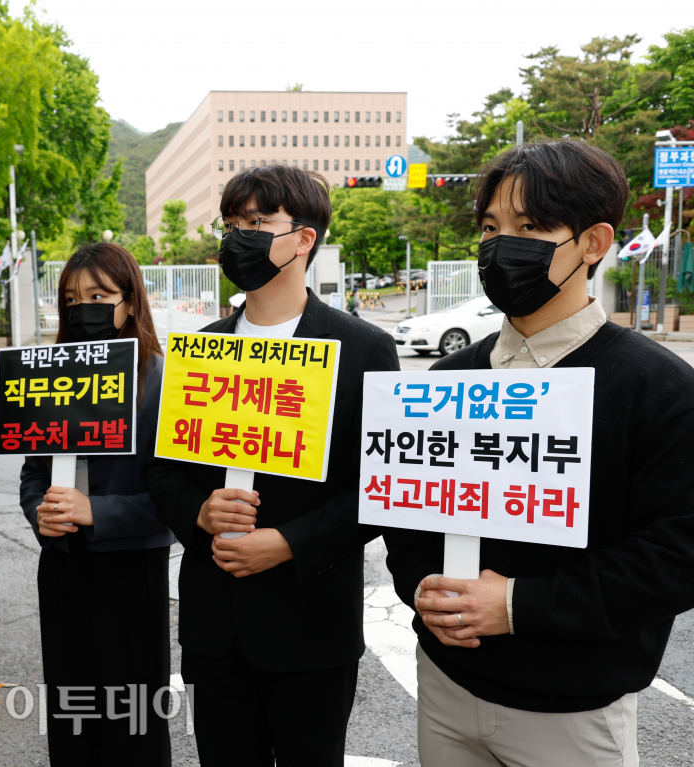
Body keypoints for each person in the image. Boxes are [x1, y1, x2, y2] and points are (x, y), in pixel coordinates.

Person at [384, 140, 694, 767]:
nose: (502, 247)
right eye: (492, 228)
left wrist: (519, 605)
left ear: (594, 242)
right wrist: (424, 589)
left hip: (576, 712)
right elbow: (407, 519)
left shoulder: (659, 388)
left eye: (531, 227)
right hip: (445, 688)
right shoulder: (443, 380)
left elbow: (678, 553)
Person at [141, 164, 399, 766]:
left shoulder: (362, 347)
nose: (240, 237)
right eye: (232, 224)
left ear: (305, 238)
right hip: (215, 625)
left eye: (258, 223)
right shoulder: (202, 347)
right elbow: (161, 471)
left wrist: (288, 542)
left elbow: (380, 484)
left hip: (311, 624)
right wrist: (199, 512)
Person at [19, 242, 174, 765]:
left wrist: (96, 511)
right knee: (71, 714)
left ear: (130, 301)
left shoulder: (162, 379)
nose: (82, 306)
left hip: (131, 572)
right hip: (62, 566)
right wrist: (43, 511)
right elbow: (31, 471)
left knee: (134, 721)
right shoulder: (46, 373)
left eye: (99, 294)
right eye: (70, 298)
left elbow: (178, 498)